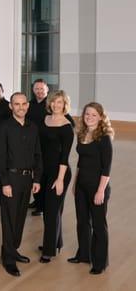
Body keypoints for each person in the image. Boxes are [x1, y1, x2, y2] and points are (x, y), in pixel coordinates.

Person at [0, 92, 42, 277]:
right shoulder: (3, 128)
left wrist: (36, 178)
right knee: (9, 219)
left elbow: (38, 154)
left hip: (27, 179)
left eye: (23, 104)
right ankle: (8, 259)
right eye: (16, 104)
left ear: (27, 106)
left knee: (21, 217)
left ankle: (12, 249)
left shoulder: (33, 127)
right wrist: (4, 183)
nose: (20, 107)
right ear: (11, 106)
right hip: (11, 180)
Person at [68, 102, 114, 275]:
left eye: (94, 115)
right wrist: (75, 183)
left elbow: (106, 168)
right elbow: (80, 162)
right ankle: (83, 255)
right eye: (87, 114)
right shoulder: (82, 134)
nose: (89, 117)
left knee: (98, 225)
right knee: (82, 222)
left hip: (97, 186)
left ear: (101, 117)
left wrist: (101, 190)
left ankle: (100, 262)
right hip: (81, 185)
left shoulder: (104, 138)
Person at [38, 91, 74, 263]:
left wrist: (59, 180)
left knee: (52, 211)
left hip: (59, 173)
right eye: (53, 102)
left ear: (64, 104)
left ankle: (49, 250)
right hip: (43, 171)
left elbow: (64, 157)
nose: (56, 105)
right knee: (49, 210)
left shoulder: (67, 126)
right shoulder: (45, 120)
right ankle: (56, 241)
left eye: (60, 102)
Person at [26, 79, 49, 216]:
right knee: (34, 173)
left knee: (43, 174)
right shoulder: (30, 104)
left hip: (46, 145)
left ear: (46, 89)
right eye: (37, 89)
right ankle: (36, 200)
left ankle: (42, 205)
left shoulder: (51, 105)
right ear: (33, 90)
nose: (39, 91)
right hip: (32, 144)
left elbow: (68, 121)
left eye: (42, 88)